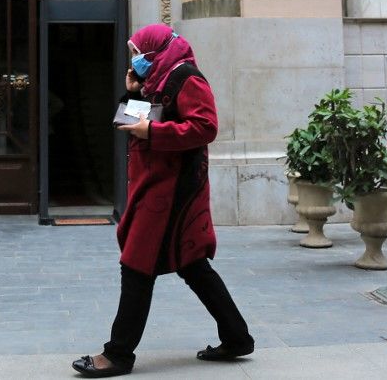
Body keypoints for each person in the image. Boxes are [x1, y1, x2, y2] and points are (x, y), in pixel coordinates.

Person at [71, 24, 254, 378]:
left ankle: (118, 354)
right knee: (191, 263)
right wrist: (133, 93)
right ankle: (237, 337)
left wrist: (154, 132)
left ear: (156, 51)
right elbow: (128, 123)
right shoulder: (155, 80)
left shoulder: (186, 77)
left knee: (137, 264)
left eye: (139, 53)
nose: (136, 59)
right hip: (155, 184)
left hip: (174, 190)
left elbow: (206, 127)